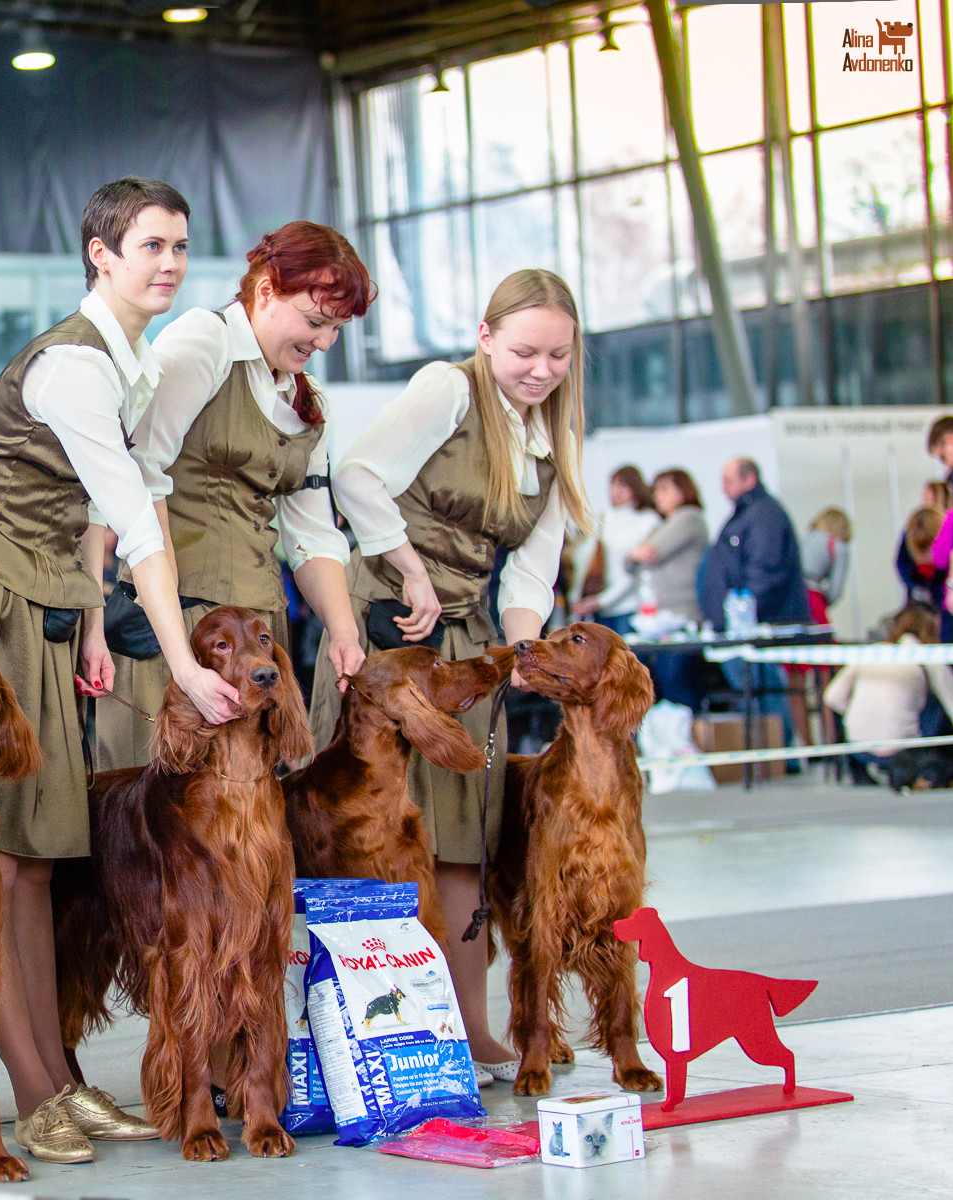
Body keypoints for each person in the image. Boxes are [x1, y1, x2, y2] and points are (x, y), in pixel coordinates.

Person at [0, 177, 241, 1162]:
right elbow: (135, 518)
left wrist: (93, 621)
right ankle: (32, 1091)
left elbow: (92, 520)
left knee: (40, 860)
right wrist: (178, 661)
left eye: (180, 245)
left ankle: (60, 1080)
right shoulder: (74, 365)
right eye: (150, 245)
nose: (169, 262)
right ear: (100, 252)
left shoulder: (123, 362)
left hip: (46, 611)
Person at [320, 267, 592, 1082]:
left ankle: (465, 1030)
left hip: (471, 640)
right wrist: (407, 568)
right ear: (485, 338)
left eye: (557, 356)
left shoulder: (558, 441)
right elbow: (357, 475)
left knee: (469, 832)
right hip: (393, 624)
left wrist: (521, 654)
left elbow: (531, 571)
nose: (540, 370)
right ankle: (353, 1036)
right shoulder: (447, 389)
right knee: (376, 835)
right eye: (523, 352)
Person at [93, 220, 372, 770]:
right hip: (178, 624)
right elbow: (137, 476)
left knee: (247, 819)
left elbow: (313, 534)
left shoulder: (308, 401)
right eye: (316, 322)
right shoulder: (205, 341)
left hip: (260, 635)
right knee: (158, 815)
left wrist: (342, 629)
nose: (324, 342)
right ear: (265, 289)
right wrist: (177, 645)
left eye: (337, 330)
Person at [699, 457, 810, 749]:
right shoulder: (748, 514)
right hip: (744, 624)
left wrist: (744, 613)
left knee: (765, 689)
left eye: (729, 480)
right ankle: (775, 753)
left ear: (749, 480)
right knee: (758, 690)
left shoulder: (763, 516)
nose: (723, 488)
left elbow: (764, 570)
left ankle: (780, 753)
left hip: (758, 626)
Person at [824, 607, 953, 783]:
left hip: (858, 746)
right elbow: (951, 702)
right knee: (935, 699)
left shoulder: (873, 651)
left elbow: (832, 697)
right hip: (903, 750)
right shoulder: (927, 655)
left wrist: (864, 713)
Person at [627, 468, 709, 710]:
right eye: (655, 490)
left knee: (676, 681)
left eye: (664, 489)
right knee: (661, 682)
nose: (657, 496)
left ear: (683, 490)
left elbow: (652, 551)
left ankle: (687, 739)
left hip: (681, 615)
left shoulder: (690, 518)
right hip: (658, 619)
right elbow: (629, 561)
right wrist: (636, 554)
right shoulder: (662, 525)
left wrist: (638, 553)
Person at [569, 466, 661, 634]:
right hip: (600, 609)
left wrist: (602, 601)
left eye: (623, 486)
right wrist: (576, 598)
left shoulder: (647, 520)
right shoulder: (603, 518)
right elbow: (585, 561)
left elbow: (637, 571)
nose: (616, 491)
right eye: (613, 485)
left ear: (635, 488)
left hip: (631, 607)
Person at [802, 507, 852, 626]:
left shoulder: (804, 537)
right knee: (824, 641)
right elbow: (835, 592)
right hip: (813, 598)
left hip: (791, 596)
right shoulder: (838, 547)